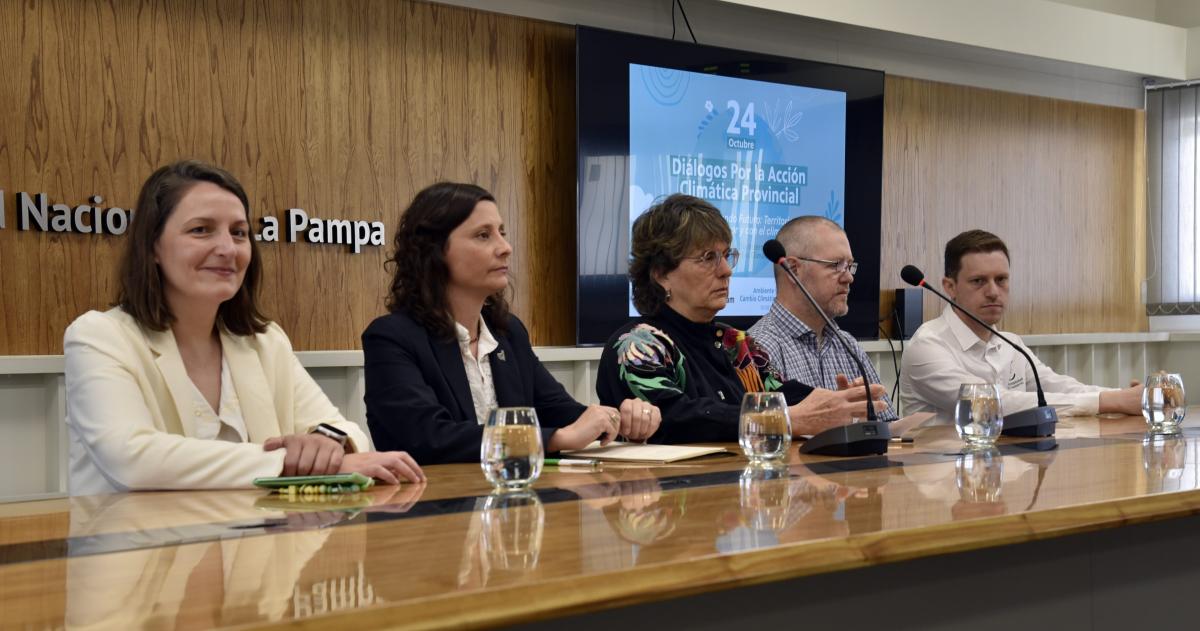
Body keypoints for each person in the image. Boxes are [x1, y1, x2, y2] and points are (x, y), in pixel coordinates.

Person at [64, 160, 423, 495]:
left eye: (238, 233)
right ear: (153, 246)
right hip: (136, 555)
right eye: (201, 230)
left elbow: (343, 430)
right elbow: (133, 460)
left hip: (253, 554)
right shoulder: (99, 337)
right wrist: (295, 466)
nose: (227, 248)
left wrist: (326, 445)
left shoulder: (265, 341)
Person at [363, 182, 661, 464]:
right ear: (435, 251)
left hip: (511, 506)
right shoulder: (392, 337)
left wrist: (619, 419)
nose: (505, 247)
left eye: (502, 232)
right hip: (431, 509)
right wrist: (555, 438)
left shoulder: (507, 332)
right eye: (483, 235)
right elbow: (427, 437)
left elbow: (559, 411)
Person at [596, 194, 886, 443]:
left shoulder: (736, 343)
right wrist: (784, 420)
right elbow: (675, 416)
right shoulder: (638, 344)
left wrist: (834, 403)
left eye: (726, 255)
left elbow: (783, 393)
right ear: (661, 273)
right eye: (708, 257)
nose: (726, 270)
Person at [900, 229, 1143, 417]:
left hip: (1004, 468)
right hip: (942, 473)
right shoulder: (928, 345)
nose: (993, 292)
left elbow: (1056, 386)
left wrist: (1129, 397)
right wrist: (1111, 401)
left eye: (1001, 279)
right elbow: (992, 403)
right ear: (949, 287)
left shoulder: (1010, 343)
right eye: (978, 281)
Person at [748, 216, 898, 421]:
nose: (849, 278)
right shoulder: (758, 348)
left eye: (850, 266)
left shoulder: (847, 345)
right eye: (836, 265)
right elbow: (765, 437)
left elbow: (888, 424)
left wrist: (866, 423)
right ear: (793, 269)